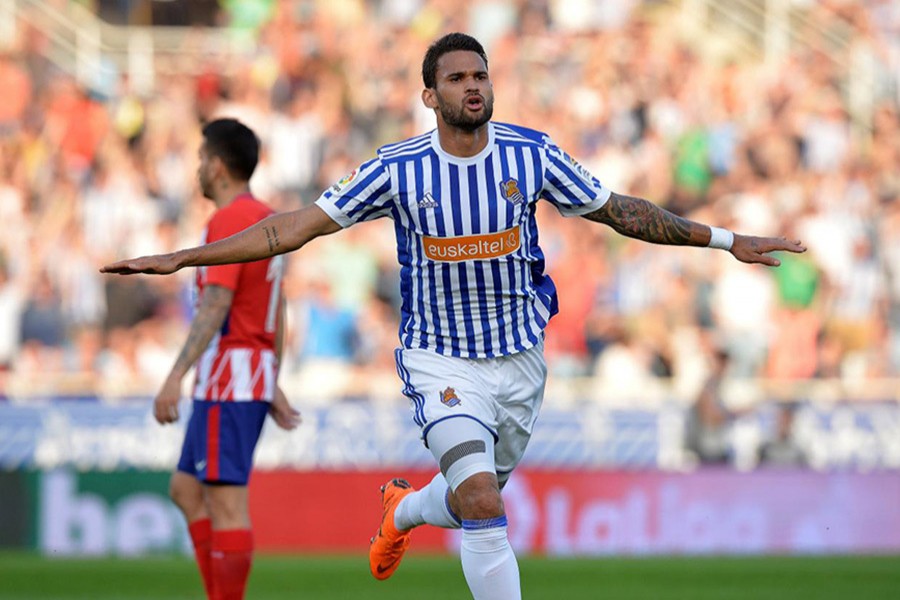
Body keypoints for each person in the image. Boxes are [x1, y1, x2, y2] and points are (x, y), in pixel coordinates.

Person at [102, 33, 805, 600]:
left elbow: (622, 212)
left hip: (520, 359)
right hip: (440, 359)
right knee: (481, 501)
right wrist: (185, 257)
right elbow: (294, 227)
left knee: (475, 498)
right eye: (458, 78)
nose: (473, 86)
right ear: (430, 95)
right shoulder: (396, 168)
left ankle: (403, 510)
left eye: (481, 75)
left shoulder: (531, 155)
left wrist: (725, 240)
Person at [148, 118, 301, 600]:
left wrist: (174, 375)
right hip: (245, 373)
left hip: (229, 375)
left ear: (217, 166)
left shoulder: (229, 220)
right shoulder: (267, 217)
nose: (196, 168)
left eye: (200, 158)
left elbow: (217, 304)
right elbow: (276, 306)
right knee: (185, 489)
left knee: (227, 505)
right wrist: (271, 379)